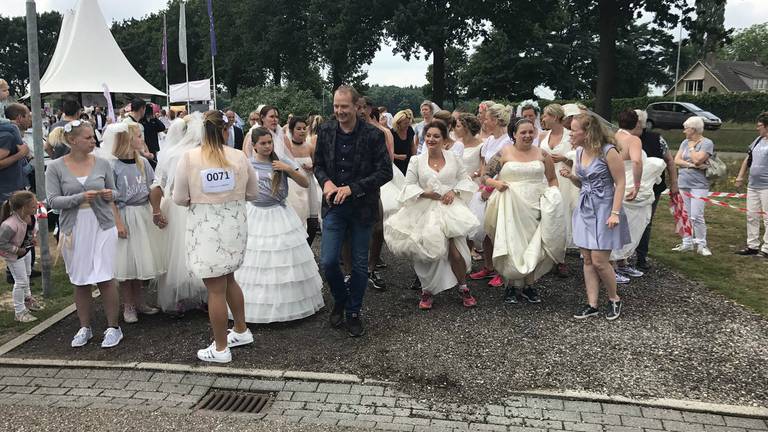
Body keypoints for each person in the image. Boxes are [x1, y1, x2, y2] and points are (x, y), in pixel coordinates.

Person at [173, 110, 259, 363]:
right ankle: (241, 329)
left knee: (215, 289)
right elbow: (253, 192)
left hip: (206, 229)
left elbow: (179, 197)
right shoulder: (239, 156)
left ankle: (221, 348)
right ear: (225, 131)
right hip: (234, 225)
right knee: (229, 279)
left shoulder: (189, 159)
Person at [314, 85, 392, 337]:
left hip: (362, 208)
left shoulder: (373, 135)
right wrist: (325, 181)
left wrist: (353, 188)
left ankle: (354, 311)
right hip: (334, 206)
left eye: (344, 106)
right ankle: (341, 298)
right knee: (327, 261)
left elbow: (385, 172)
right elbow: (319, 165)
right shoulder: (325, 130)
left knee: (359, 265)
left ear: (357, 107)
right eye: (336, 106)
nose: (339, 111)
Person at [384, 120, 479, 310]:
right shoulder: (416, 160)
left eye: (436, 136)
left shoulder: (453, 158)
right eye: (428, 136)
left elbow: (464, 179)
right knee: (429, 251)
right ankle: (427, 290)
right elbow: (408, 185)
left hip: (450, 210)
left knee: (456, 253)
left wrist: (455, 192)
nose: (431, 139)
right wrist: (425, 193)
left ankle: (463, 286)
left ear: (444, 139)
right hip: (425, 209)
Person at [46, 120, 123, 347]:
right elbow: (52, 201)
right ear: (73, 141)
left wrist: (111, 195)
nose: (93, 141)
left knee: (105, 276)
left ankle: (113, 327)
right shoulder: (55, 167)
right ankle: (85, 327)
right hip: (74, 227)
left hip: (102, 225)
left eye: (93, 137)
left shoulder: (102, 164)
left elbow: (116, 191)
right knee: (80, 280)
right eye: (88, 138)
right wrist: (79, 198)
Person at [236, 127, 324, 323]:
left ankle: (289, 304)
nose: (267, 146)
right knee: (258, 259)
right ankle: (256, 306)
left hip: (279, 213)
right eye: (263, 143)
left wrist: (288, 169)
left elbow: (305, 182)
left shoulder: (281, 162)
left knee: (282, 257)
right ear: (255, 146)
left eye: (270, 142)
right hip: (256, 213)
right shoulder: (247, 164)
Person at [485, 119, 564, 304]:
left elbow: (552, 179)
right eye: (523, 132)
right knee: (512, 243)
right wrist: (497, 183)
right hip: (510, 205)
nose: (528, 135)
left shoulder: (543, 154)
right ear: (514, 134)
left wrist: (553, 197)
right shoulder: (504, 152)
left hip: (535, 204)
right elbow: (486, 176)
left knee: (533, 244)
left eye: (531, 132)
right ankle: (510, 285)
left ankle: (530, 285)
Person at [560, 114, 630, 321]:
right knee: (588, 259)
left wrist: (615, 212)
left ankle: (614, 298)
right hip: (585, 207)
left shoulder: (608, 152)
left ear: (588, 132)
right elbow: (584, 183)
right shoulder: (580, 151)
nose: (571, 133)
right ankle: (592, 304)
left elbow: (621, 183)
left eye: (574, 129)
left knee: (600, 260)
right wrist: (572, 177)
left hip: (605, 208)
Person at [106, 123, 165, 323]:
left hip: (142, 214)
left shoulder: (143, 163)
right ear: (127, 140)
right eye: (139, 136)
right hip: (125, 215)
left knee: (141, 260)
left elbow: (151, 189)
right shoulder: (113, 166)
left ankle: (140, 301)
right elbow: (111, 198)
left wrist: (156, 211)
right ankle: (128, 304)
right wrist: (118, 223)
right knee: (127, 263)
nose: (142, 140)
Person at [149, 113, 207, 315]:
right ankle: (201, 295)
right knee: (195, 250)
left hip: (173, 205)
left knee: (176, 254)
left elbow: (157, 185)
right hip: (191, 205)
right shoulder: (199, 152)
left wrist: (156, 211)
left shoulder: (169, 153)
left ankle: (180, 298)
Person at [468, 103, 513, 288]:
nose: (483, 121)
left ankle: (503, 271)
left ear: (495, 120)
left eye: (486, 118)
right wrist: (479, 181)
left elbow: (505, 169)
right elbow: (485, 166)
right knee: (486, 230)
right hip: (484, 186)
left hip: (498, 189)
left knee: (499, 230)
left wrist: (489, 188)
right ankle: (488, 266)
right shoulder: (488, 141)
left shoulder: (507, 142)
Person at [634, 109, 679, 271]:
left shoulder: (657, 139)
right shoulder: (623, 138)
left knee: (647, 221)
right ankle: (623, 255)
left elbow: (670, 161)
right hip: (629, 186)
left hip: (652, 187)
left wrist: (674, 182)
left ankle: (641, 256)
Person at [539, 104, 576, 277]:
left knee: (562, 216)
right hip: (546, 179)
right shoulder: (543, 136)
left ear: (554, 117)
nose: (543, 119)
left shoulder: (570, 136)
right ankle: (545, 255)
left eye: (545, 115)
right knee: (546, 216)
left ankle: (561, 258)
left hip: (565, 179)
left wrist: (564, 158)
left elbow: (581, 160)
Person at [673, 116, 713, 256]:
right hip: (683, 182)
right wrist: (691, 165)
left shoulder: (707, 143)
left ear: (693, 129)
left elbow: (698, 159)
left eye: (686, 128)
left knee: (697, 215)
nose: (684, 131)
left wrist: (691, 149)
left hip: (699, 185)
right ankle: (687, 242)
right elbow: (677, 160)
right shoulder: (684, 142)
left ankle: (702, 243)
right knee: (685, 214)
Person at [0, 191, 41, 322]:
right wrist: (16, 250)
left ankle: (27, 299)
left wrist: (33, 239)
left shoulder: (31, 217)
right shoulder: (9, 225)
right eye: (33, 206)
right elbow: (1, 243)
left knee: (27, 274)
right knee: (20, 281)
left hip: (26, 251)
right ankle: (19, 312)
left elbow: (31, 230)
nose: (36, 208)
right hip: (14, 256)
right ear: (23, 208)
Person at [734, 111, 768, 257]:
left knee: (767, 217)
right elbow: (748, 159)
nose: (757, 128)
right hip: (753, 185)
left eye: (760, 126)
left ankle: (766, 248)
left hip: (766, 186)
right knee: (751, 215)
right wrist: (740, 177)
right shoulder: (758, 140)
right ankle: (752, 245)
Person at [284, 116, 322, 242]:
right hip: (293, 185)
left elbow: (319, 164)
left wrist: (313, 167)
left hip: (309, 184)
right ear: (291, 130)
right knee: (297, 217)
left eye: (304, 128)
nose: (302, 131)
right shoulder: (287, 147)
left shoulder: (309, 146)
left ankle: (308, 248)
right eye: (298, 128)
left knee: (312, 221)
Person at [391, 109, 415, 175]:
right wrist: (398, 156)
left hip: (409, 163)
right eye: (405, 123)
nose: (408, 125)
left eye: (408, 123)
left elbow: (412, 146)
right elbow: (387, 153)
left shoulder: (410, 130)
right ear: (398, 123)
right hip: (396, 165)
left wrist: (414, 159)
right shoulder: (391, 133)